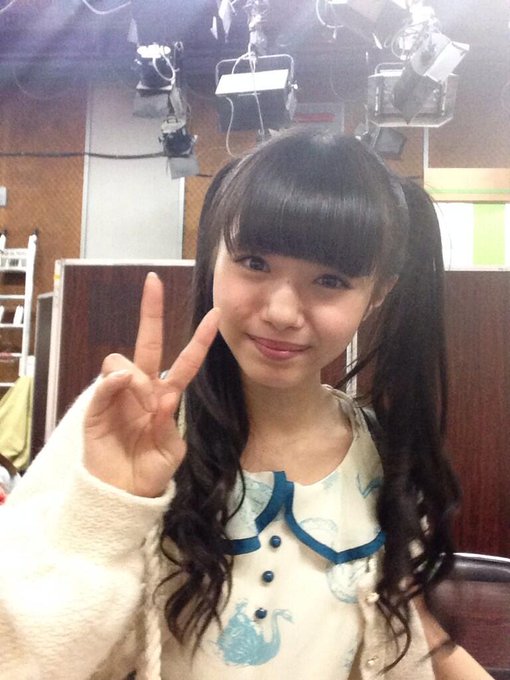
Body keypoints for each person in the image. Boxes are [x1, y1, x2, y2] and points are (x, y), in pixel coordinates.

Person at [0, 127, 492, 680]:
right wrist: (107, 510)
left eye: (330, 280)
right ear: (214, 256)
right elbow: (19, 658)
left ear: (377, 293)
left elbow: (413, 630)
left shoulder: (382, 456)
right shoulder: (124, 423)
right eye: (254, 263)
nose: (281, 311)